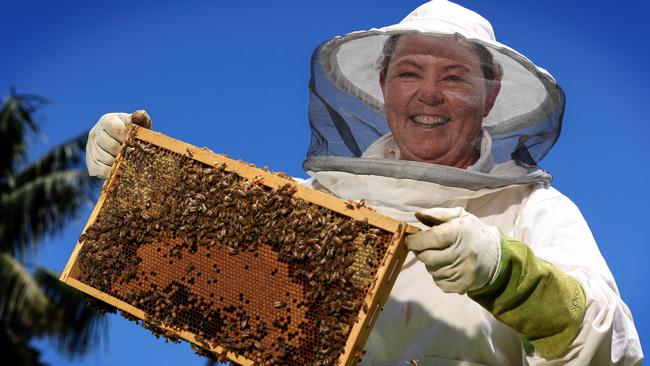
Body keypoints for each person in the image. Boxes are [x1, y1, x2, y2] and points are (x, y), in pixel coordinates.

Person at [85, 0, 643, 364]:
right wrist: (137, 182)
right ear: (382, 87)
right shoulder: (322, 202)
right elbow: (212, 276)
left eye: (454, 77)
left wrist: (505, 272)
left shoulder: (532, 209)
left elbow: (611, 347)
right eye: (409, 73)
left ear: (490, 96)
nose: (429, 94)